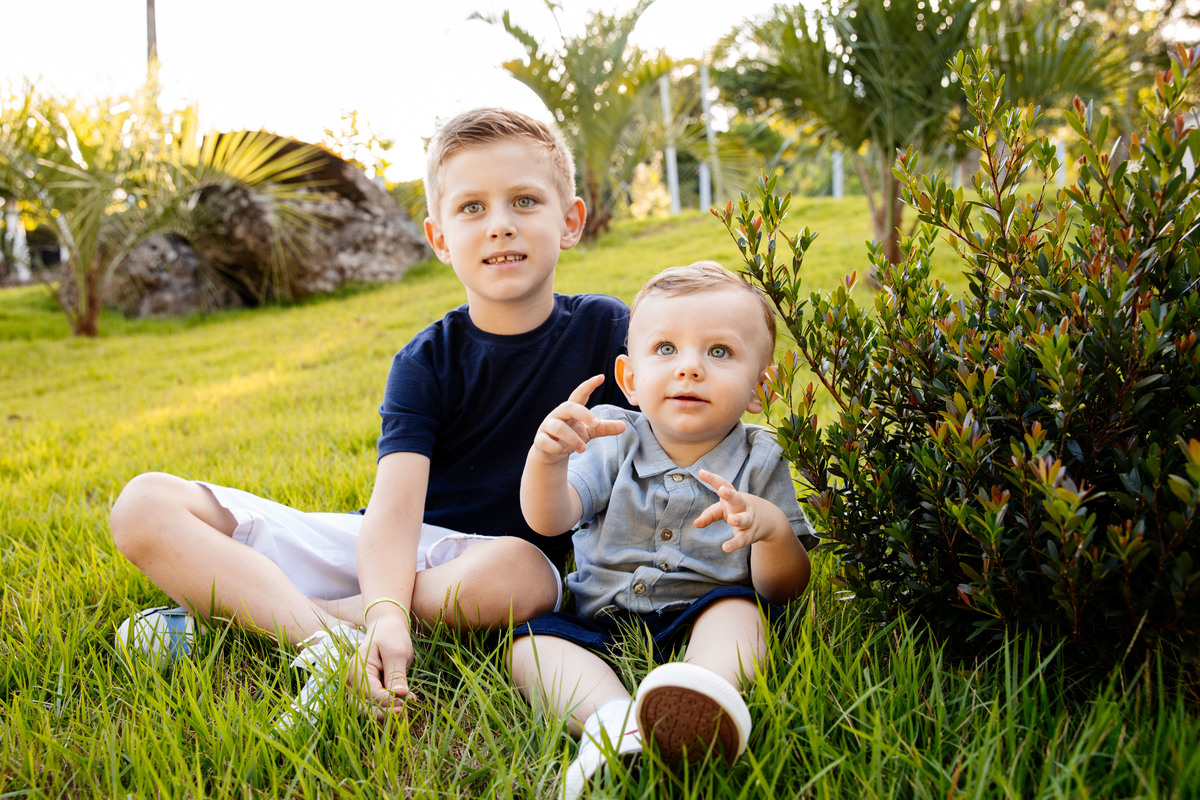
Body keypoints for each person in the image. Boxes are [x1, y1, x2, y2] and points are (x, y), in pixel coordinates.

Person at [109, 107, 632, 726]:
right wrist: (384, 607)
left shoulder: (608, 328)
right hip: (383, 548)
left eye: (524, 201)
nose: (500, 226)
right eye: (471, 208)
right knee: (143, 504)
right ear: (439, 239)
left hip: (492, 563)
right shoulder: (425, 360)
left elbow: (675, 431)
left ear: (569, 221)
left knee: (527, 576)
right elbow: (394, 512)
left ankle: (265, 614)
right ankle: (329, 643)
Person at [512, 261, 817, 798]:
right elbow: (550, 518)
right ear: (630, 380)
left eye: (719, 352)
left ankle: (702, 694)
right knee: (531, 648)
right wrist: (546, 459)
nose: (690, 368)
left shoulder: (762, 457)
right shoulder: (613, 437)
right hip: (599, 618)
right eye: (666, 349)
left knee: (743, 614)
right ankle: (612, 723)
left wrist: (771, 532)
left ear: (760, 387)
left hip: (705, 612)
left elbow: (783, 589)